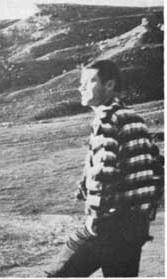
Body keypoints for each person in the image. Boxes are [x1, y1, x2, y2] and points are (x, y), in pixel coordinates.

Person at [46, 60, 164, 277]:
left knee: (57, 275)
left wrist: (94, 216)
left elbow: (104, 173)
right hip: (135, 226)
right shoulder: (134, 117)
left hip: (108, 225)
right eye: (81, 82)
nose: (81, 87)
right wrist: (146, 210)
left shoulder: (106, 120)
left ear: (109, 85)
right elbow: (157, 165)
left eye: (89, 81)